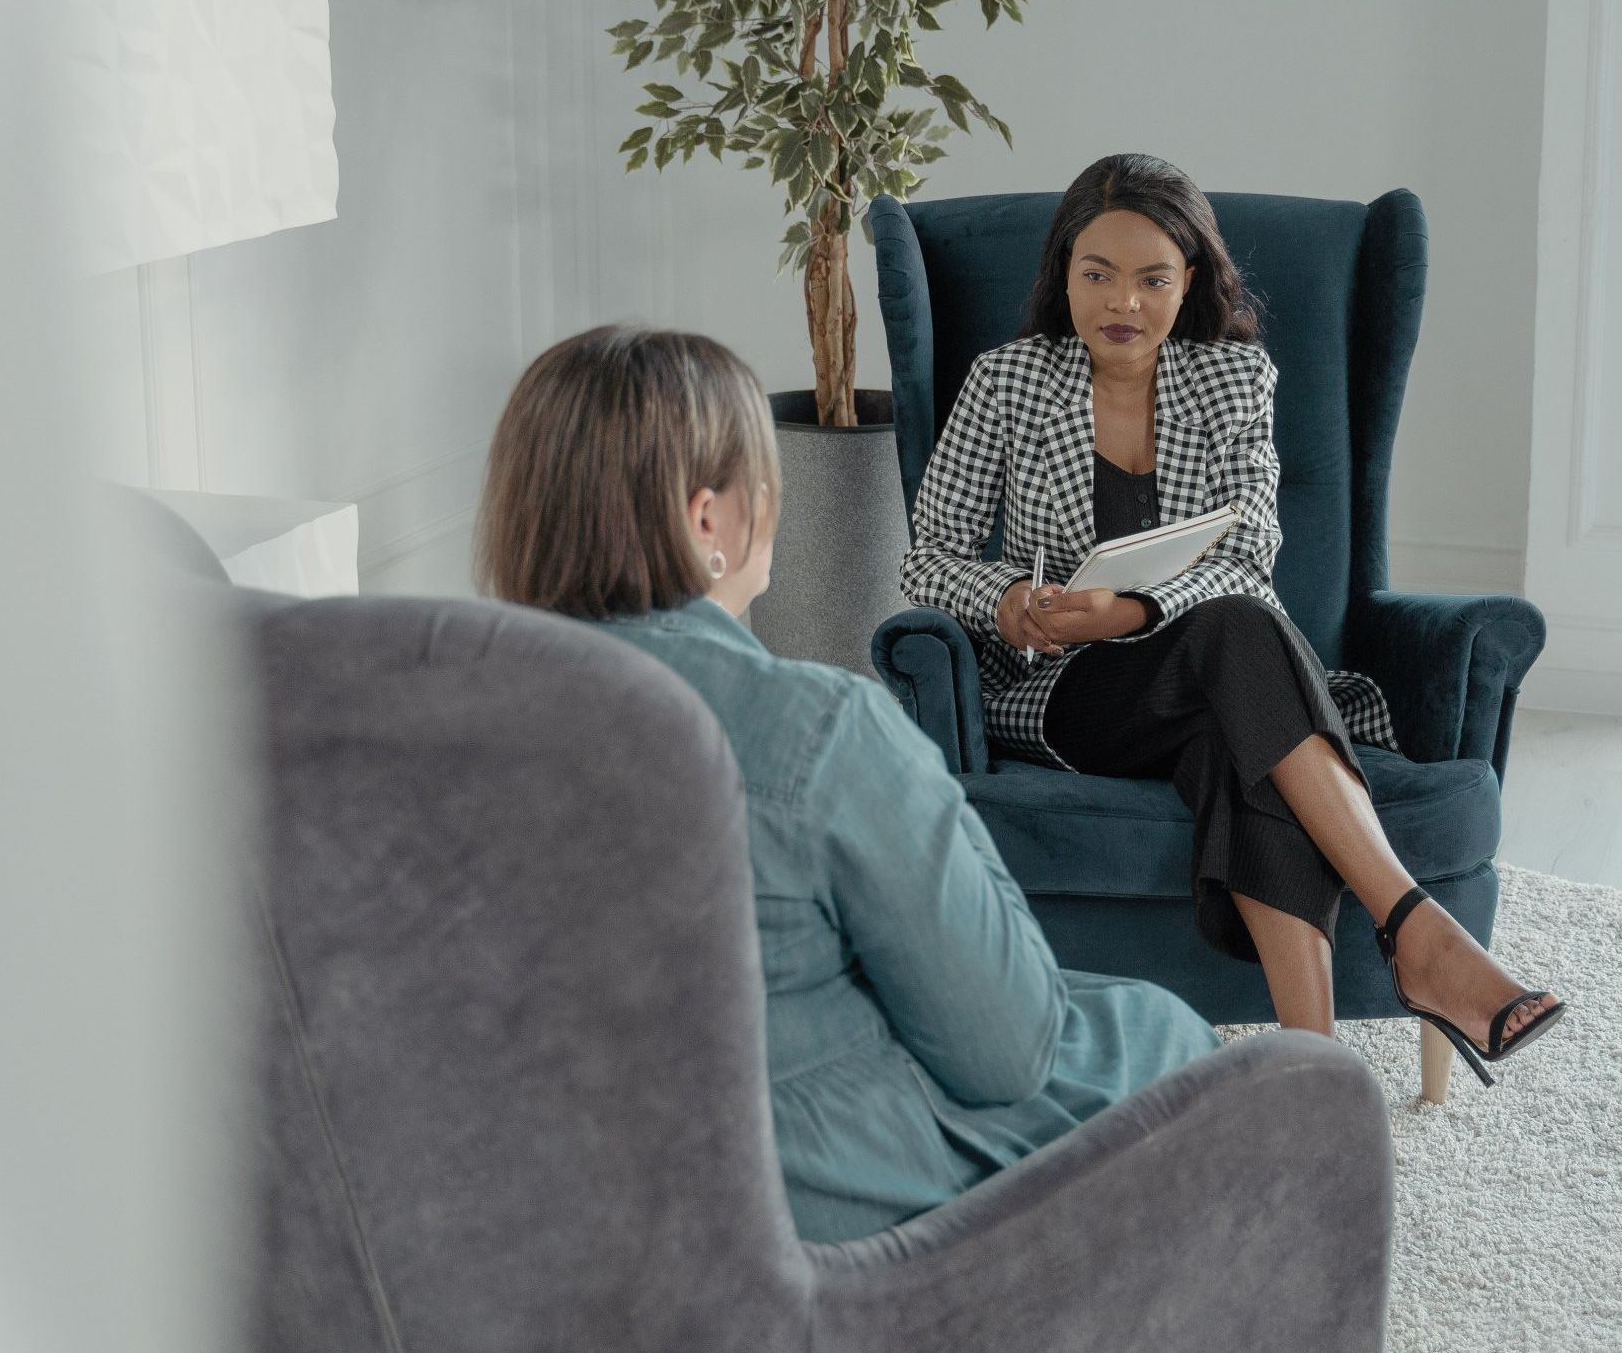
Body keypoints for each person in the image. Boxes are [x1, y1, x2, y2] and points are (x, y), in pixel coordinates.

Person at [473, 325, 1225, 1244]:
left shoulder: (430, 726)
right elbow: (1009, 1055)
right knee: (1167, 1037)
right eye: (765, 484)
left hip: (564, 1201)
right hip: (817, 1215)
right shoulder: (817, 727)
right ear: (709, 521)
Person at [900, 153, 1567, 1082]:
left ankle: (1311, 1075)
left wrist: (1130, 608)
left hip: (1209, 681)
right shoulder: (1008, 379)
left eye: (1151, 279)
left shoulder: (1232, 379)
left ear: (1191, 283)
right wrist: (1012, 604)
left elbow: (1248, 552)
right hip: (1064, 691)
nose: (1120, 302)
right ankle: (1416, 930)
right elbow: (928, 555)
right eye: (1096, 274)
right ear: (1062, 277)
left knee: (1233, 736)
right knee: (1237, 633)